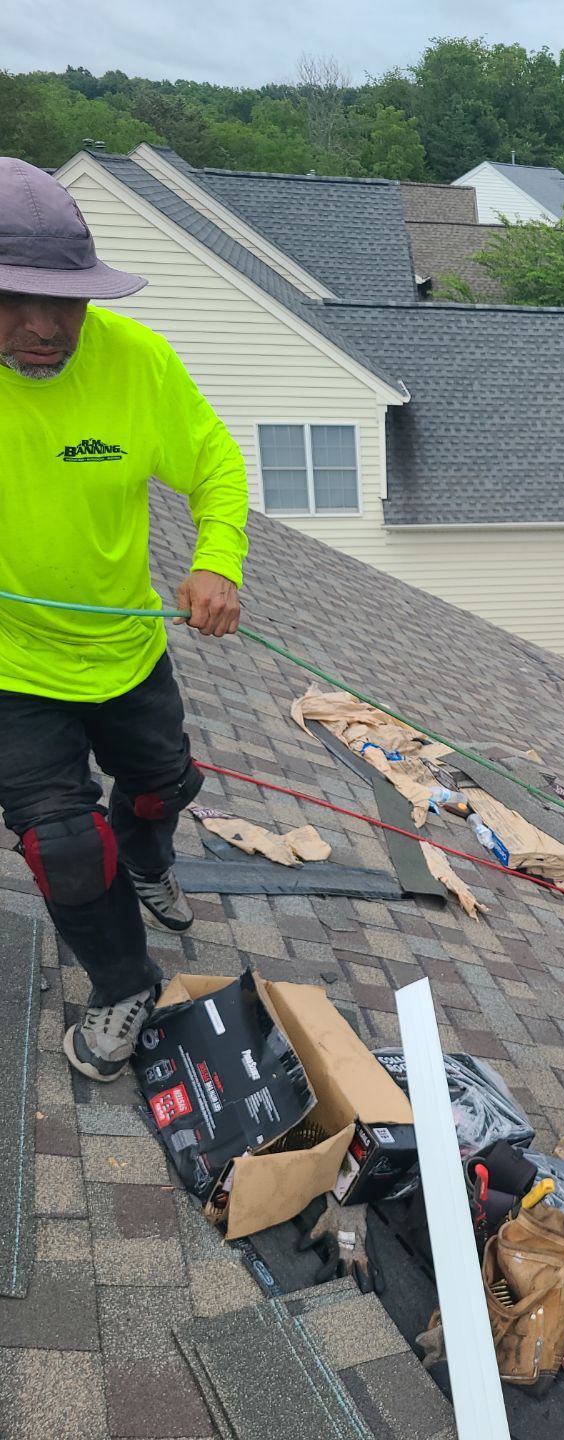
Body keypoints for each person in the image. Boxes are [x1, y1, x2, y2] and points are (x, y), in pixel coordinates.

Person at [0, 157, 249, 1081]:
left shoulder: (136, 362)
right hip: (12, 670)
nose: (43, 326)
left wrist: (217, 557)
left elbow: (216, 463)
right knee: (62, 843)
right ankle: (123, 984)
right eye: (16, 299)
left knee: (161, 786)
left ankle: (147, 857)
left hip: (124, 645)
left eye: (63, 302)